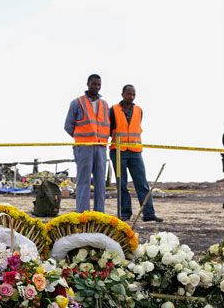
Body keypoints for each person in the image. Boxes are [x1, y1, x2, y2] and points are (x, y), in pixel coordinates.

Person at [109, 84, 161, 222]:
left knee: (142, 183)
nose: (131, 97)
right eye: (128, 94)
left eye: (133, 94)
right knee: (122, 184)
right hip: (118, 151)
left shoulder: (139, 110)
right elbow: (109, 130)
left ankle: (149, 214)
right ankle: (125, 213)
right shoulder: (113, 110)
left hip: (135, 152)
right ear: (122, 94)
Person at [64, 74, 109, 213]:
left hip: (100, 147)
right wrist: (81, 139)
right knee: (83, 181)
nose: (96, 87)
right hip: (84, 147)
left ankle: (99, 213)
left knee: (100, 182)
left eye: (99, 84)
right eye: (94, 84)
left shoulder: (104, 105)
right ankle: (82, 213)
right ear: (88, 84)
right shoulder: (77, 103)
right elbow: (68, 126)